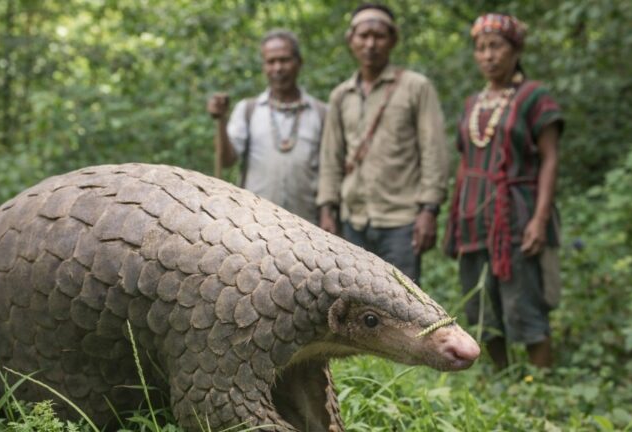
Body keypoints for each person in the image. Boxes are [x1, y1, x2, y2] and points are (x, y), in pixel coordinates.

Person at [443, 13, 564, 369]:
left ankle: (540, 387)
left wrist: (540, 220)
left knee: (523, 303)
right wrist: (454, 220)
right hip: (473, 218)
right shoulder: (472, 103)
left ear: (515, 50)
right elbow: (465, 162)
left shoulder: (534, 97)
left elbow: (550, 159)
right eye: (480, 48)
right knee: (480, 307)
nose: (488, 56)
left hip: (516, 214)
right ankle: (503, 379)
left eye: (496, 46)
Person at [316, 4, 449, 283]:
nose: (370, 44)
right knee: (355, 300)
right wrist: (327, 209)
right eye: (363, 36)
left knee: (404, 307)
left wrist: (429, 210)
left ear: (393, 39)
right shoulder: (342, 95)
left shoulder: (416, 87)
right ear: (350, 40)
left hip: (401, 220)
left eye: (379, 36)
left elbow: (433, 152)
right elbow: (331, 156)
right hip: (353, 219)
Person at [207, 29, 325, 225]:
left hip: (309, 227)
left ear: (299, 62)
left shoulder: (321, 113)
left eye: (284, 60)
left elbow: (330, 171)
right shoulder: (248, 110)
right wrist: (221, 121)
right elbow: (227, 160)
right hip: (255, 225)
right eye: (271, 62)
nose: (278, 68)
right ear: (264, 66)